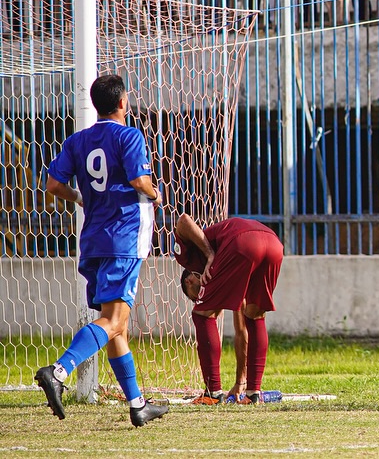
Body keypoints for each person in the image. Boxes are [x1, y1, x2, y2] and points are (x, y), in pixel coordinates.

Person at [34, 73, 167, 428]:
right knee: (114, 321)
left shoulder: (78, 140)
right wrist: (156, 195)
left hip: (93, 238)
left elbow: (52, 184)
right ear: (123, 102)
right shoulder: (129, 135)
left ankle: (137, 403)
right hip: (123, 237)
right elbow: (140, 181)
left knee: (116, 327)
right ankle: (58, 371)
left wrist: (79, 198)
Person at [173, 214, 284, 404]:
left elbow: (183, 220)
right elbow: (241, 331)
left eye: (196, 295)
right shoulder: (227, 270)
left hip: (242, 243)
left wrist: (209, 254)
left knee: (202, 314)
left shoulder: (188, 259)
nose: (200, 297)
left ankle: (212, 393)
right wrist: (241, 381)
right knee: (255, 316)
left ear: (189, 280)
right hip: (274, 244)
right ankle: (253, 394)